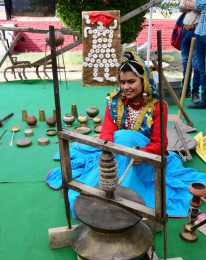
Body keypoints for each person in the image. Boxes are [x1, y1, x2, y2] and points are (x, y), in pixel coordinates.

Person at [46, 49, 206, 218]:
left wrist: (141, 154)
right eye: (122, 82)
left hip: (144, 160)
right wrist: (107, 149)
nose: (126, 87)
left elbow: (160, 144)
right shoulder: (115, 102)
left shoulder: (157, 106)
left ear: (143, 80)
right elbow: (107, 133)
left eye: (131, 81)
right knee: (118, 140)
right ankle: (108, 191)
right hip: (117, 153)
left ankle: (117, 196)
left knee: (123, 136)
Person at [185, 0, 206, 108]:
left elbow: (195, 5)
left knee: (203, 68)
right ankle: (205, 99)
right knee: (202, 68)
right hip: (200, 33)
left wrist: (185, 1)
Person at [179, 0, 200, 102]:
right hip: (185, 30)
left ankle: (195, 93)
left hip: (197, 30)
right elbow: (180, 6)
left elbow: (198, 7)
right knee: (185, 63)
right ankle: (185, 90)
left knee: (196, 65)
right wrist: (190, 5)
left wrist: (187, 5)